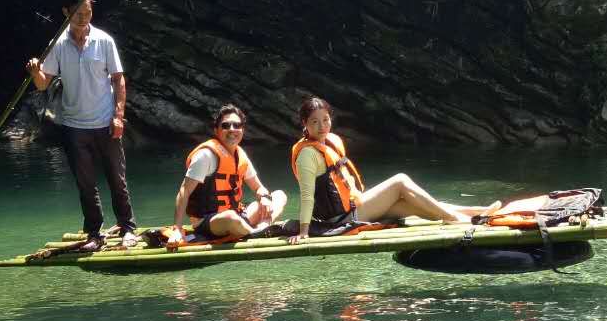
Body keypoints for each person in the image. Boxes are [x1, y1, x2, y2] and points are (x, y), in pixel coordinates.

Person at [287, 96, 501, 244]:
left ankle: (476, 212)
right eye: (315, 122)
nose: (322, 126)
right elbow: (307, 195)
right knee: (400, 181)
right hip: (340, 219)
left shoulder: (329, 142)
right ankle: (456, 219)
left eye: (325, 120)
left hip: (354, 206)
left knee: (413, 204)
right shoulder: (307, 154)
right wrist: (304, 231)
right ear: (305, 124)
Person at [27, 0, 138, 252]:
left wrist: (118, 116)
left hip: (105, 121)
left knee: (117, 179)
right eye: (78, 13)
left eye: (88, 12)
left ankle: (127, 228)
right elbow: (43, 85)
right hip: (75, 126)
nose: (84, 17)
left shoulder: (104, 40)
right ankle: (95, 233)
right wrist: (34, 71)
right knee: (85, 184)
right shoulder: (58, 45)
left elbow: (118, 79)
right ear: (66, 13)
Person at [171, 104, 287, 244]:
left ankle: (261, 228)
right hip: (209, 221)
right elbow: (185, 191)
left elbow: (258, 187)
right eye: (226, 125)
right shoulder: (206, 156)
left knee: (279, 196)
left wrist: (264, 198)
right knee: (230, 217)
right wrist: (177, 228)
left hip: (238, 215)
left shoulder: (240, 155)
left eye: (237, 125)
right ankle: (256, 232)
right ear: (217, 130)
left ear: (242, 130)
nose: (232, 129)